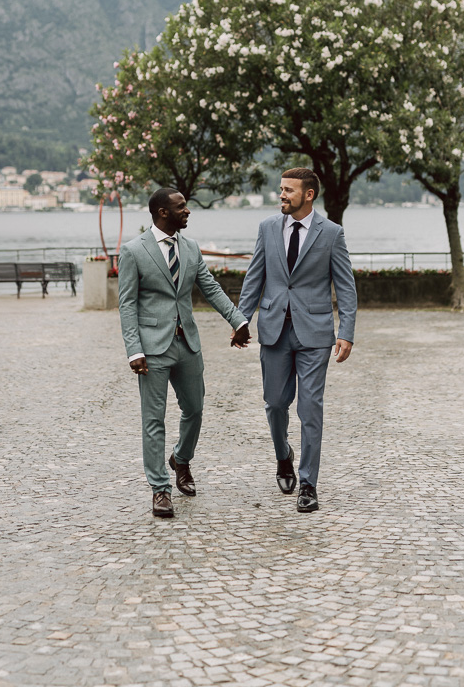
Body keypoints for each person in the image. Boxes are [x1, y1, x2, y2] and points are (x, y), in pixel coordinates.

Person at [118, 187, 250, 518]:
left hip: (187, 343)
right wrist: (134, 349)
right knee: (154, 419)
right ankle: (160, 489)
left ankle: (181, 459)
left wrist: (238, 320)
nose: (187, 211)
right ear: (163, 212)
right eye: (181, 207)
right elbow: (127, 304)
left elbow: (211, 288)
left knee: (195, 409)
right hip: (152, 348)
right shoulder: (134, 251)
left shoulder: (190, 248)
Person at [237, 167, 357, 513]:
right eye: (281, 189)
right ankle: (283, 455)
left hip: (315, 332)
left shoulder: (331, 233)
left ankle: (308, 483)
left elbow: (346, 287)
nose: (282, 195)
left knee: (310, 408)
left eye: (289, 190)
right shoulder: (267, 228)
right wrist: (241, 320)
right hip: (274, 329)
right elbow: (254, 276)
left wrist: (346, 331)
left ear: (309, 194)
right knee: (275, 404)